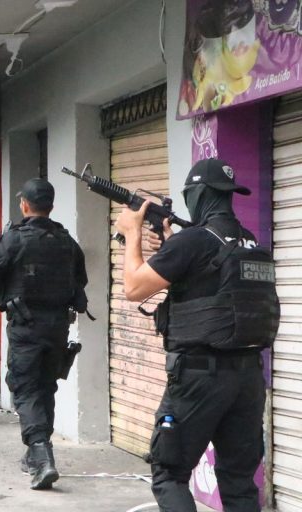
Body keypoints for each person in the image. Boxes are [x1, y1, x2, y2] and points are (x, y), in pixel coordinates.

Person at [115, 158, 278, 512]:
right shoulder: (248, 242)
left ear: (196, 194)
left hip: (198, 378)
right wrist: (174, 243)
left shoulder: (192, 243)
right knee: (238, 482)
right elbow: (211, 283)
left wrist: (131, 234)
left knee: (169, 474)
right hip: (248, 377)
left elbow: (133, 288)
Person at [0, 178, 88, 490]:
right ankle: (35, 454)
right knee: (45, 387)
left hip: (26, 326)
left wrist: (4, 291)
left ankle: (41, 455)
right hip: (57, 327)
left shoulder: (14, 238)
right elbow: (80, 279)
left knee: (25, 388)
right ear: (50, 205)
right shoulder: (66, 240)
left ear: (24, 205)